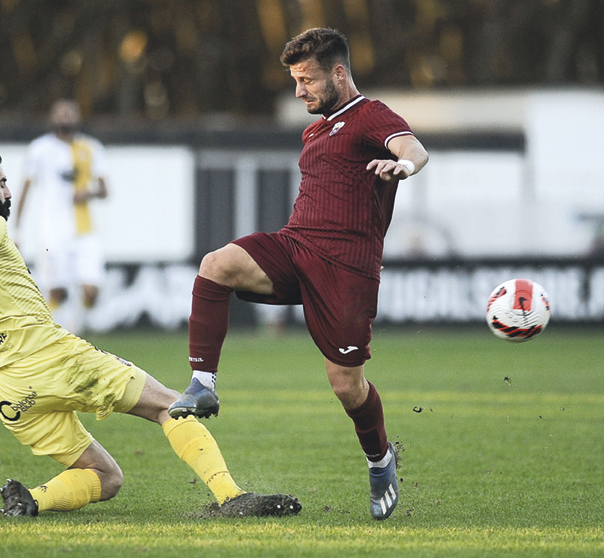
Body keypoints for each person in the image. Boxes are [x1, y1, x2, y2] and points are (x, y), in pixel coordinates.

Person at [0, 144, 300, 518]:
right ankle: (230, 496)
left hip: (5, 391)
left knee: (107, 478)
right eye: (1, 183)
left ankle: (31, 500)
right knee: (170, 405)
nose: (7, 191)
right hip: (51, 359)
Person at [168, 28, 429, 521]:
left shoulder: (370, 115)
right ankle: (202, 382)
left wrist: (404, 168)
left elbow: (414, 149)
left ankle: (380, 461)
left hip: (347, 268)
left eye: (306, 80)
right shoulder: (313, 130)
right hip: (296, 246)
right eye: (294, 80)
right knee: (215, 265)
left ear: (338, 73)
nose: (299, 91)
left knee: (346, 386)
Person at [14, 100, 108, 333]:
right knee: (57, 291)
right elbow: (24, 189)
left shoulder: (91, 147)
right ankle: (48, 337)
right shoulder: (39, 149)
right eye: (61, 113)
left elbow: (105, 189)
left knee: (91, 292)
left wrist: (89, 192)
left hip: (84, 230)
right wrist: (16, 230)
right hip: (51, 231)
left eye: (70, 113)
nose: (65, 117)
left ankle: (73, 326)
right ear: (52, 118)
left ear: (78, 118)